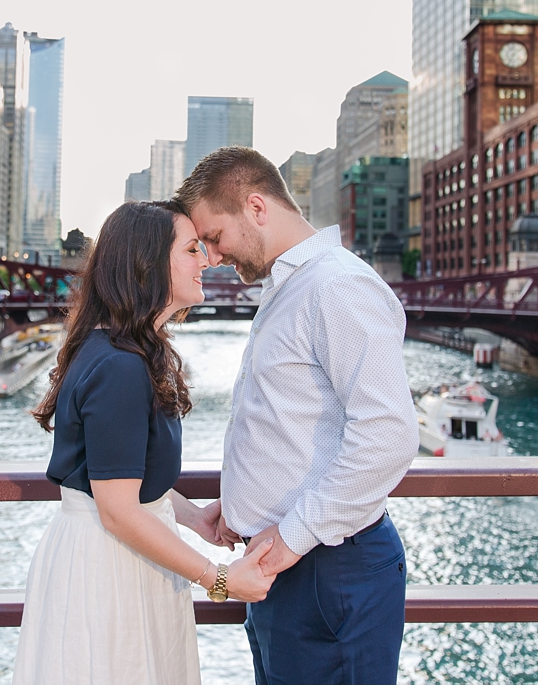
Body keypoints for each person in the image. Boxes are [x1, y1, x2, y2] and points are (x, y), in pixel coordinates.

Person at [176, 147, 418, 686]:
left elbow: (389, 435)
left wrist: (290, 535)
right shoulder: (292, 288)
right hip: (290, 564)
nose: (211, 256)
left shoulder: (335, 286)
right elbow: (290, 422)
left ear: (256, 207)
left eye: (214, 236)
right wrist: (243, 502)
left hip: (327, 570)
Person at [13, 200, 275, 685]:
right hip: (110, 568)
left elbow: (121, 478)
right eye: (192, 249)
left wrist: (194, 517)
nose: (207, 261)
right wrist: (219, 579)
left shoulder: (119, 350)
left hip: (111, 556)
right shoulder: (120, 367)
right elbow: (118, 509)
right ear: (149, 263)